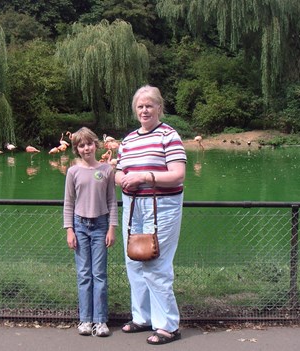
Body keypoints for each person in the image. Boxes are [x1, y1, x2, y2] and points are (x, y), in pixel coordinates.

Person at [115, 85, 186, 345]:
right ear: (135, 110)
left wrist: (145, 177)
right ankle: (142, 317)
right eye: (140, 106)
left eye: (149, 105)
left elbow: (177, 175)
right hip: (133, 206)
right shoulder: (129, 139)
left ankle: (168, 325)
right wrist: (123, 179)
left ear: (159, 108)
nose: (145, 110)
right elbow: (119, 172)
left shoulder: (169, 135)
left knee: (155, 263)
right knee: (134, 260)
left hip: (161, 207)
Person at [63, 127, 117, 337]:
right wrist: (70, 230)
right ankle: (85, 319)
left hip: (101, 225)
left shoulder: (106, 170)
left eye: (89, 144)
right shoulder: (73, 172)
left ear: (96, 145)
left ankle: (100, 321)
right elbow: (68, 202)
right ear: (77, 149)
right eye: (81, 145)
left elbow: (112, 201)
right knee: (84, 274)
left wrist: (112, 227)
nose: (86, 148)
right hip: (80, 225)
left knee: (99, 275)